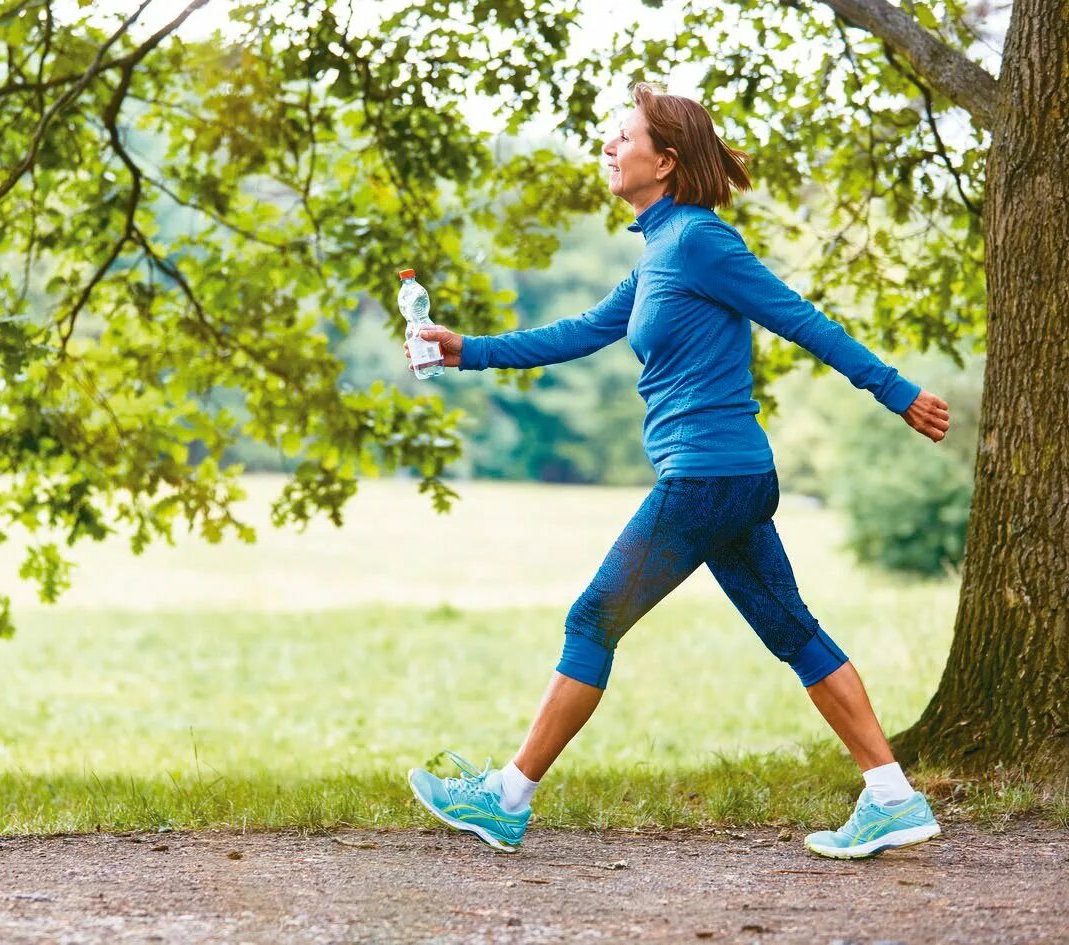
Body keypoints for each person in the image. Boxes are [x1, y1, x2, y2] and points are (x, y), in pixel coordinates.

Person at [402, 82, 952, 860]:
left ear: (663, 161)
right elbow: (582, 330)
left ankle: (505, 798)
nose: (608, 147)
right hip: (724, 480)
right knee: (791, 630)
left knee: (592, 619)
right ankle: (892, 796)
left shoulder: (699, 240)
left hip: (705, 477)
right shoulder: (658, 250)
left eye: (622, 137)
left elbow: (797, 317)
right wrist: (466, 350)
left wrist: (895, 392)